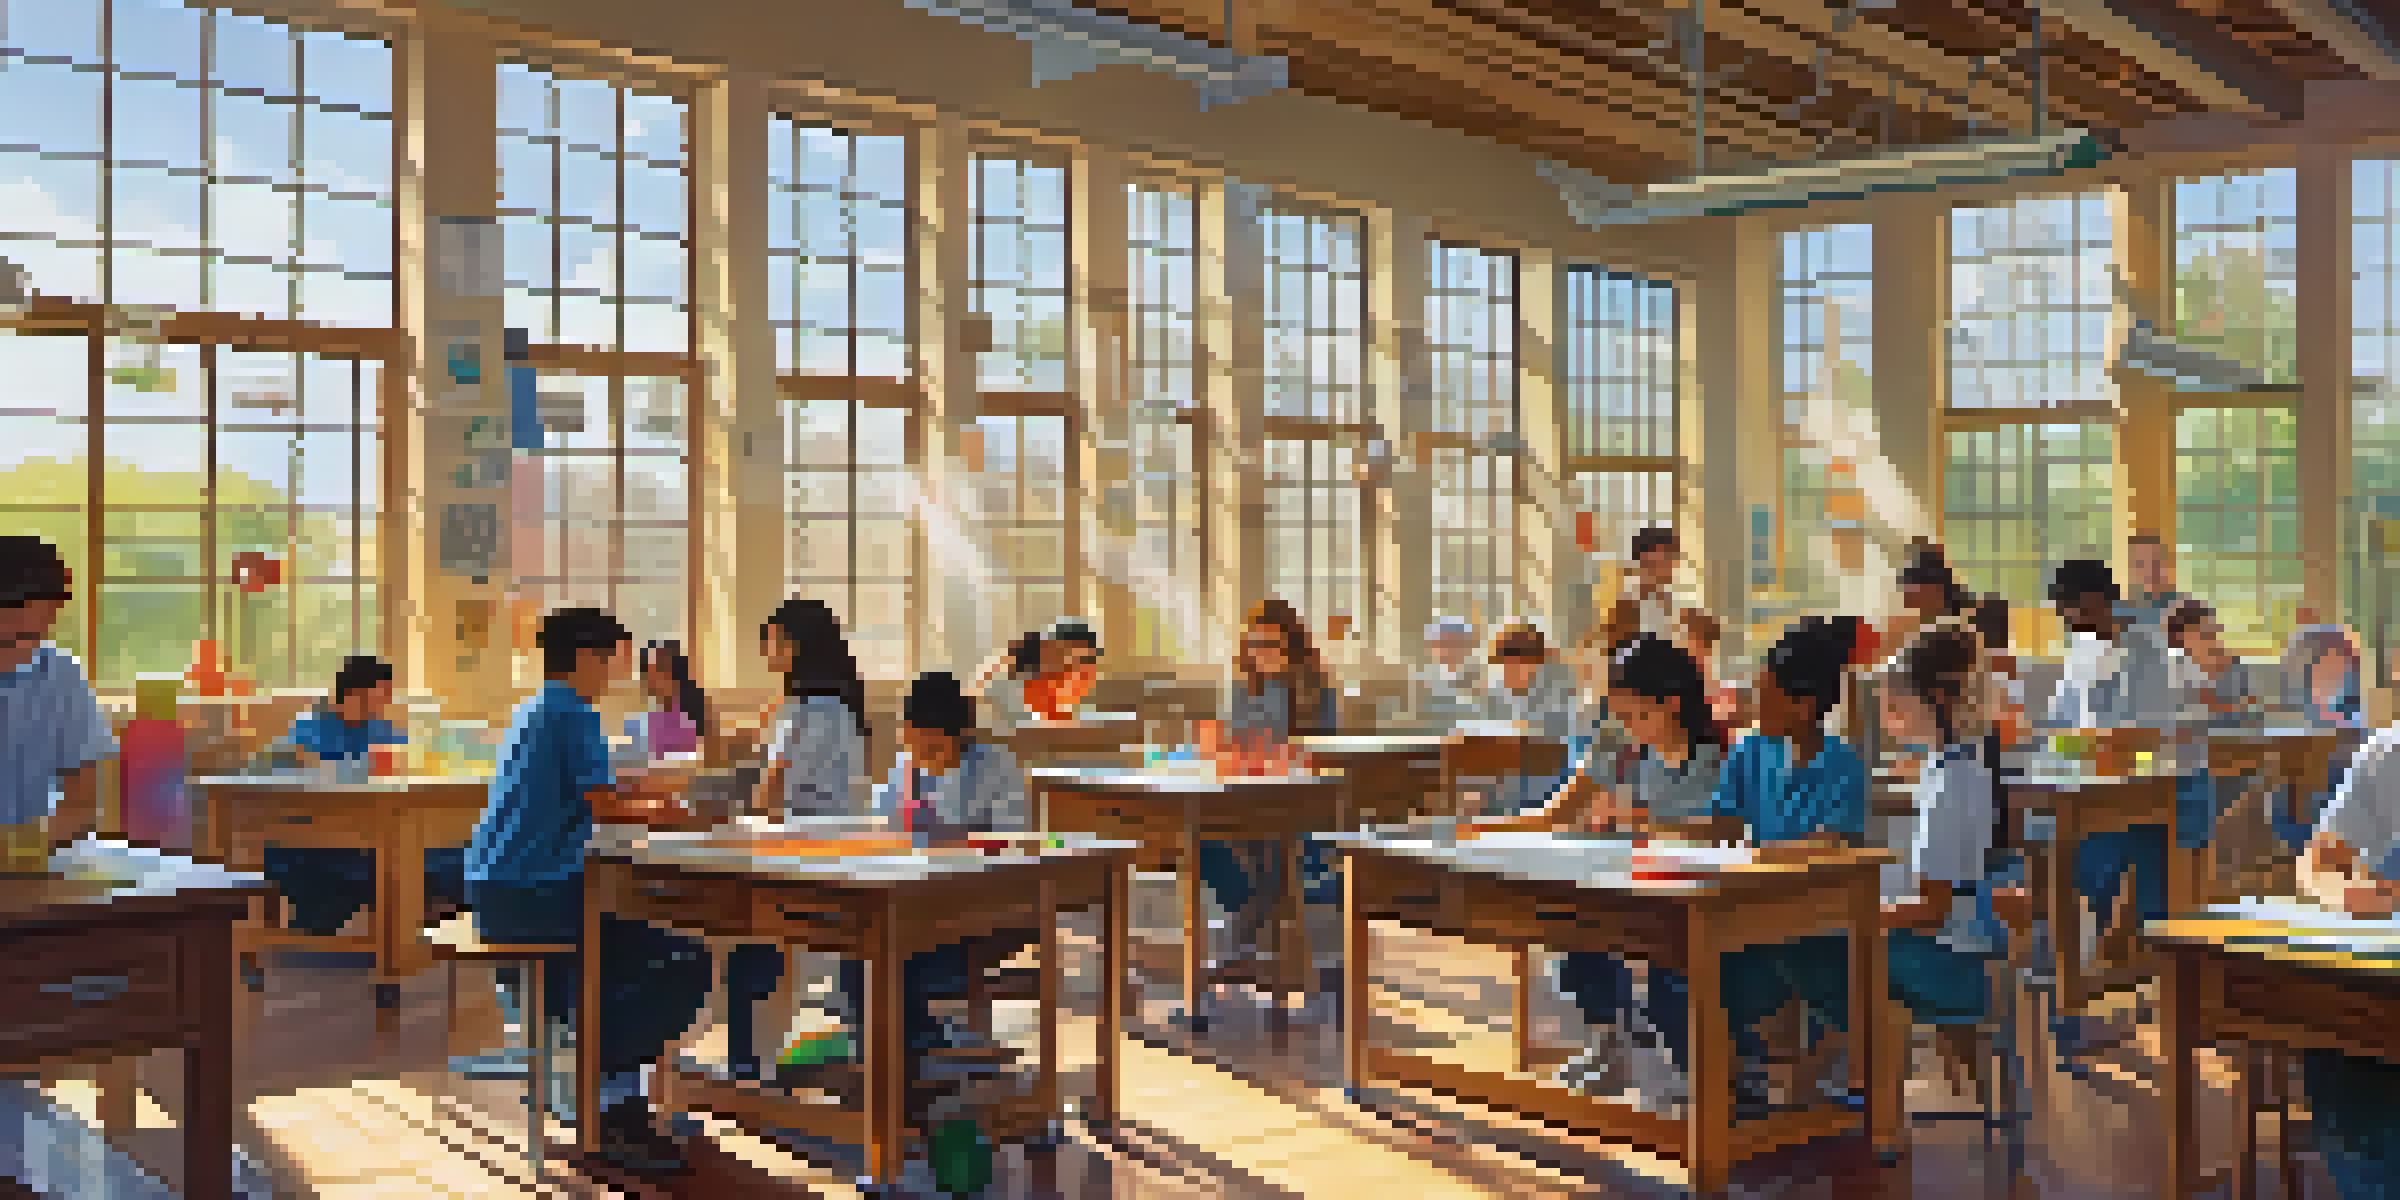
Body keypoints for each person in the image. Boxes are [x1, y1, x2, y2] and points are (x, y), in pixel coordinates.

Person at [461, 607, 722, 1172]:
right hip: (533, 894)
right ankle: (605, 1095)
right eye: (613, 661)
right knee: (684, 961)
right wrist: (671, 817)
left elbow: (602, 784)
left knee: (623, 953)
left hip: (500, 890)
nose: (617, 674)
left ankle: (608, 1094)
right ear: (586, 659)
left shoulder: (539, 708)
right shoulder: (573, 713)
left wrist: (655, 795)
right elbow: (602, 802)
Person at [1482, 634, 1728, 1111]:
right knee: (1571, 932)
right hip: (1633, 886)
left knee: (1665, 975)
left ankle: (1698, 1072)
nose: (1626, 728)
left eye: (1636, 716)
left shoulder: (1714, 761)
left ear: (1672, 705)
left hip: (1688, 898)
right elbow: (1579, 810)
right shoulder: (1638, 753)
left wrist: (1641, 822)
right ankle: (1614, 1044)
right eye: (1620, 717)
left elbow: (1716, 834)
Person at [814, 672, 1034, 1088]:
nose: (921, 756)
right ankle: (899, 1063)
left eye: (933, 747)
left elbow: (1012, 844)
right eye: (912, 745)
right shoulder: (905, 768)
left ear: (964, 736)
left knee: (887, 966)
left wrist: (954, 844)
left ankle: (901, 1070)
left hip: (978, 910)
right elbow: (888, 830)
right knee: (857, 960)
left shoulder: (995, 766)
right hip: (913, 902)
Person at [1701, 615, 1876, 1106]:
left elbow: (1831, 843)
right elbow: (1721, 825)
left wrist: (1758, 855)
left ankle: (1831, 1070)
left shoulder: (1841, 762)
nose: (1752, 705)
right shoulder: (1749, 751)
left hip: (1819, 913)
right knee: (1701, 957)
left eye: (1764, 695)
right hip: (1754, 904)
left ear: (1802, 706)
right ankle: (1735, 1080)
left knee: (1799, 957)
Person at [1877, 627, 2009, 1098]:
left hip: (1954, 968)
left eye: (1895, 708)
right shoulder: (1968, 761)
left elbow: (1933, 912)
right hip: (1973, 953)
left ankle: (1852, 1098)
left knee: (1818, 951)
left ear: (1934, 698)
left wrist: (1860, 916)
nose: (1888, 720)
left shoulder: (1951, 783)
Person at [264, 656, 465, 938]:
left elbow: (404, 769)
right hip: (326, 833)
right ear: (356, 692)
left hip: (379, 826)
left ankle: (423, 923)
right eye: (382, 693)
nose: (387, 700)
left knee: (461, 852)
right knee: (413, 861)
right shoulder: (311, 726)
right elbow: (305, 773)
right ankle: (405, 926)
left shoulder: (382, 729)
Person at [2044, 558, 2178, 972]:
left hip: (2146, 791)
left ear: (2093, 603)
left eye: (2072, 613)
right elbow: (2060, 724)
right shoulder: (2084, 650)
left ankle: (2132, 968)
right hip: (2092, 784)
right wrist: (2069, 745)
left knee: (2105, 863)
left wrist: (2089, 744)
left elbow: (2152, 737)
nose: (2070, 625)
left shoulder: (2147, 652)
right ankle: (2073, 971)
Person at [2292, 723, 2400, 1199]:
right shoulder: (2390, 752)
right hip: (2381, 981)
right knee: (2329, 1043)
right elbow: (2314, 866)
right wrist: (2344, 891)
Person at [1202, 599, 1337, 972]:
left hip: (1301, 803)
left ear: (1292, 649)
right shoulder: (1244, 691)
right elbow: (1231, 749)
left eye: (1271, 645)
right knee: (1204, 836)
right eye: (1255, 645)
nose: (1262, 654)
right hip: (1244, 797)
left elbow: (1321, 756)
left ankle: (1245, 937)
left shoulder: (1314, 694)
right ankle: (1245, 926)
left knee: (1271, 843)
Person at [0, 537, 113, 866]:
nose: (19, 652)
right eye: (4, 640)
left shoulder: (61, 675)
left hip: (31, 868)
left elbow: (82, 802)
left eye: (32, 637)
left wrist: (21, 849)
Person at [754, 599, 867, 819]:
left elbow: (771, 791)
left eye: (775, 639)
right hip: (841, 825)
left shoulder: (801, 709)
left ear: (799, 645)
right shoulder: (841, 704)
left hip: (802, 831)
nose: (765, 648)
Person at [1477, 624, 1583, 815]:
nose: (1507, 673)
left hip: (1542, 794)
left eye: (1513, 666)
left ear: (1535, 665)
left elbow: (1551, 768)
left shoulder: (1555, 702)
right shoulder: (1503, 697)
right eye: (1504, 666)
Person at [982, 622, 1103, 736]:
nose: (1086, 674)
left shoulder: (1093, 721)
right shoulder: (1004, 723)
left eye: (1089, 662)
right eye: (1069, 664)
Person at [1611, 526, 1703, 641]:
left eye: (1671, 560)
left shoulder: (1676, 601)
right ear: (1642, 563)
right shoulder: (1628, 604)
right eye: (1662, 561)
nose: (1670, 567)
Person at [625, 640, 707, 760]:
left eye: (659, 669)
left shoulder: (697, 716)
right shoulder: (643, 717)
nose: (650, 678)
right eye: (647, 670)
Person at [1409, 616, 1483, 727]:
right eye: (1443, 642)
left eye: (1456, 642)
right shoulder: (1419, 680)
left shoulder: (1480, 678)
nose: (1450, 649)